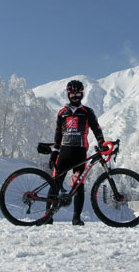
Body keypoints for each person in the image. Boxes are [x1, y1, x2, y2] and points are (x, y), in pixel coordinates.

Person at [48, 79, 108, 226]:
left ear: (82, 94)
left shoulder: (87, 112)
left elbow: (96, 129)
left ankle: (76, 218)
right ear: (68, 94)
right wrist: (55, 152)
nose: (75, 96)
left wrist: (101, 142)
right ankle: (47, 216)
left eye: (78, 94)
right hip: (64, 153)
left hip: (80, 154)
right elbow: (58, 134)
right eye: (72, 94)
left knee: (78, 186)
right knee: (55, 184)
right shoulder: (62, 113)